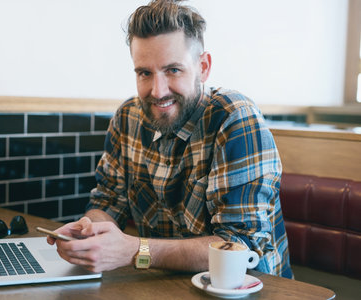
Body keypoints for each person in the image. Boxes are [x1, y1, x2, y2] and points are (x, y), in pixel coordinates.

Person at [48, 0, 293, 278]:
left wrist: (134, 250)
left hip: (249, 289)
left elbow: (237, 245)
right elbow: (108, 202)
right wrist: (87, 231)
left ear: (203, 67)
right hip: (165, 284)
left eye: (173, 70)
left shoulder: (235, 118)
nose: (157, 91)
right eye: (145, 73)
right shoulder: (127, 117)